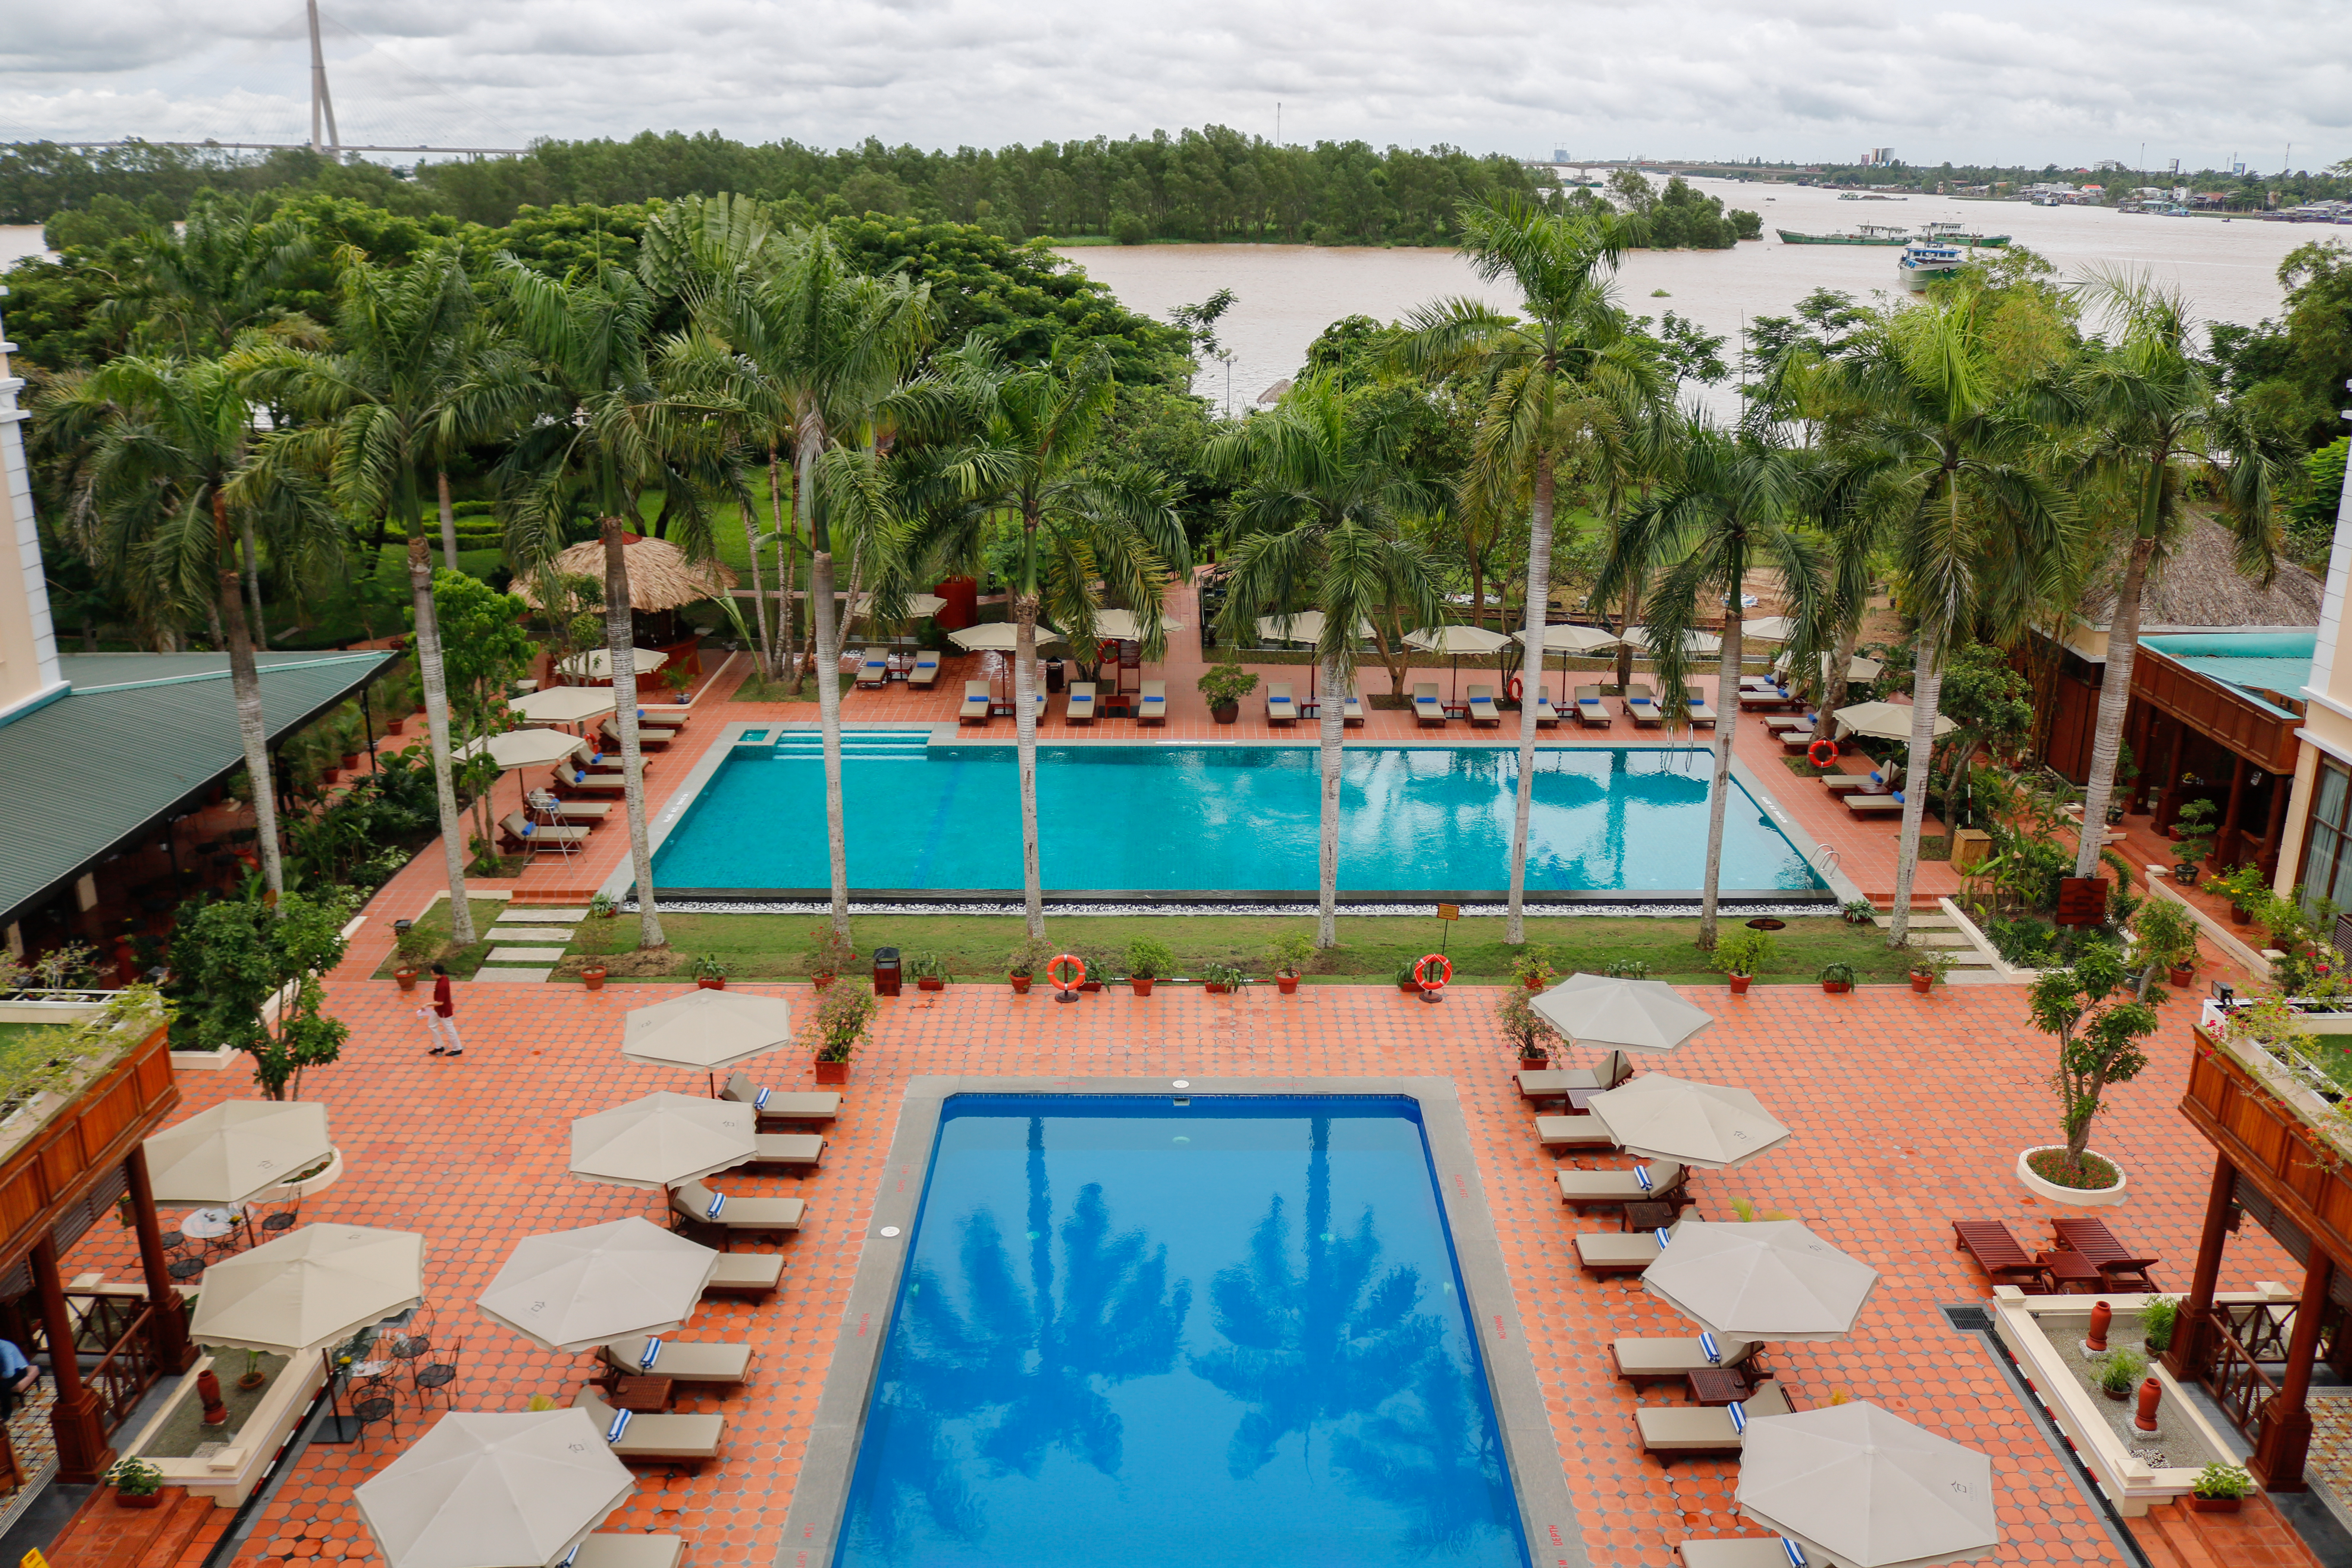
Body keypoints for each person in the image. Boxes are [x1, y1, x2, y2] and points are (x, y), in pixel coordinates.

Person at [419, 962, 463, 1057]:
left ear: (438, 974)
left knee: (449, 1029)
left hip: (443, 1011)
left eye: (432, 974)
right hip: (438, 1010)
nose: (431, 976)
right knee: (432, 1025)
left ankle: (457, 1048)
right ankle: (439, 1046)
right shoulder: (444, 978)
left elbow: (440, 1002)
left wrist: (427, 1004)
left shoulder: (441, 986)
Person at [0, 1338, 37, 1418]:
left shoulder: (5, 1349)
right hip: (4, 1370)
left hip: (19, 1371)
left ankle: (7, 1411)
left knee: (3, 1386)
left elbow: (10, 1374)